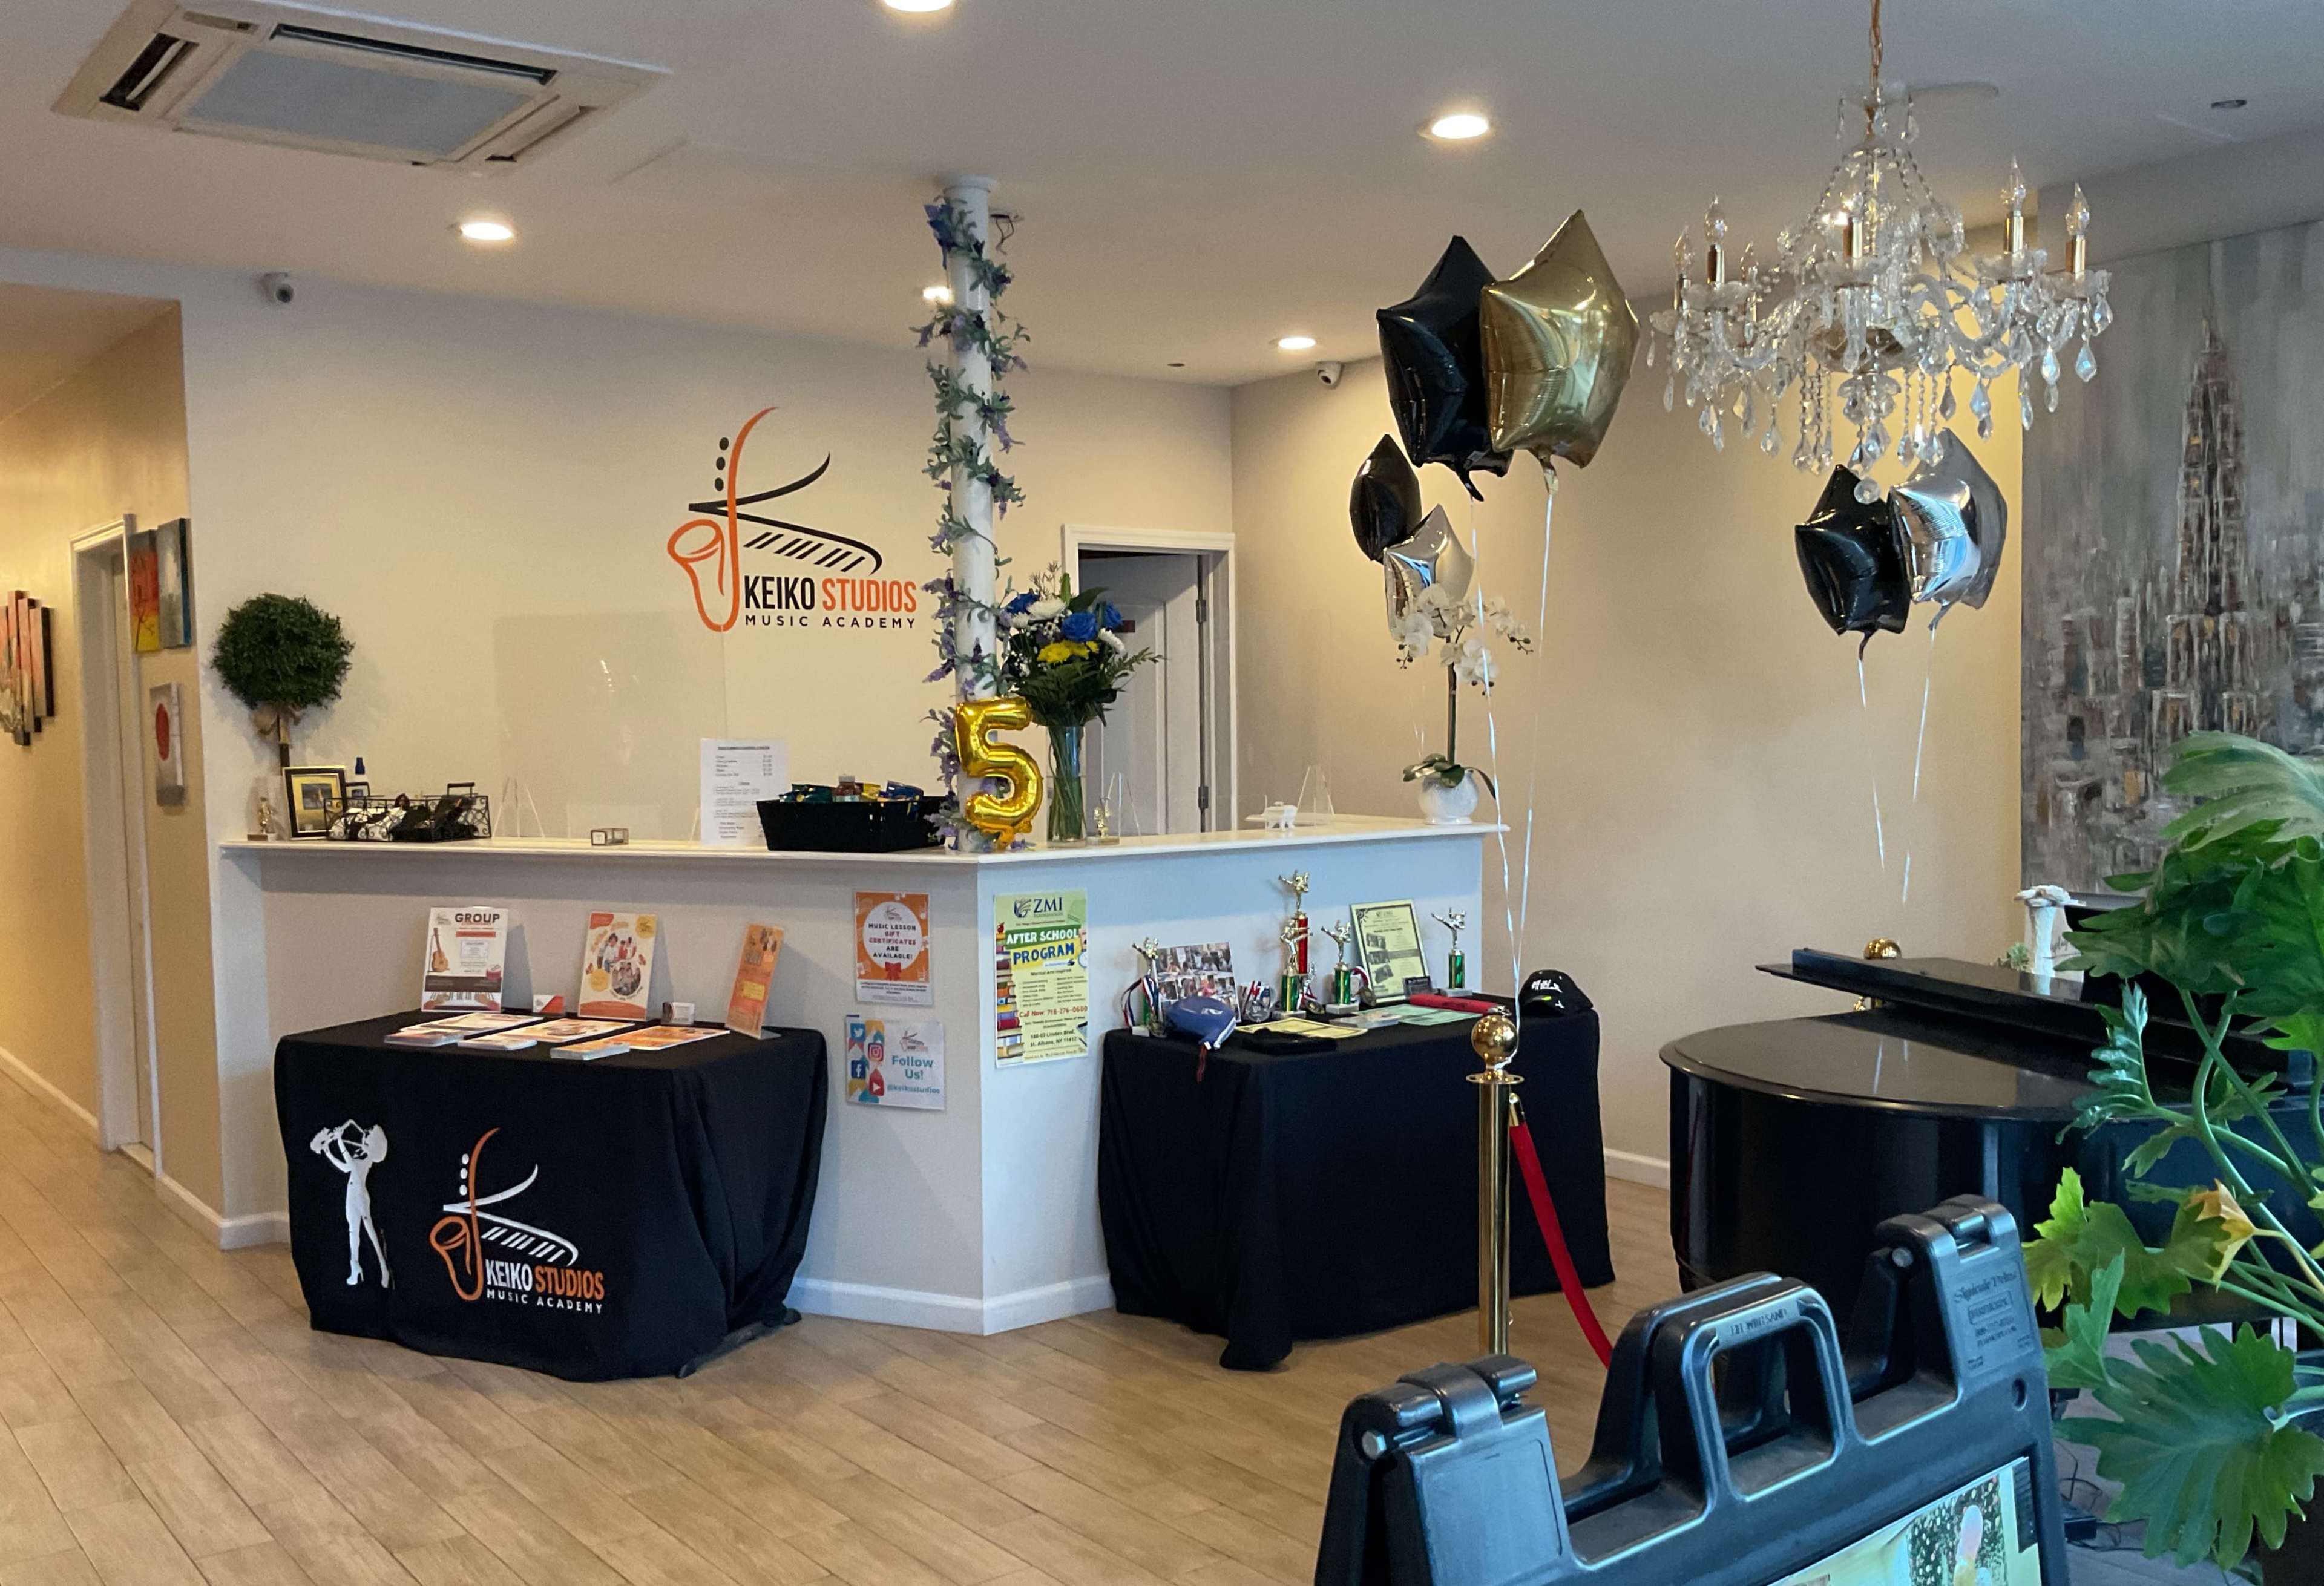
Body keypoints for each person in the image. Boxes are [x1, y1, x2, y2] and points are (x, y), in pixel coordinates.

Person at [310, 1121, 391, 1287]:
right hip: (351, 1195)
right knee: (353, 1232)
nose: (364, 1135)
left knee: (371, 1233)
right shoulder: (361, 1152)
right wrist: (327, 1152)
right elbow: (346, 1168)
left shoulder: (368, 1156)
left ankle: (383, 1269)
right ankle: (355, 1267)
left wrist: (339, 1141)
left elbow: (353, 1166)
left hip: (360, 1195)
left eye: (368, 1135)